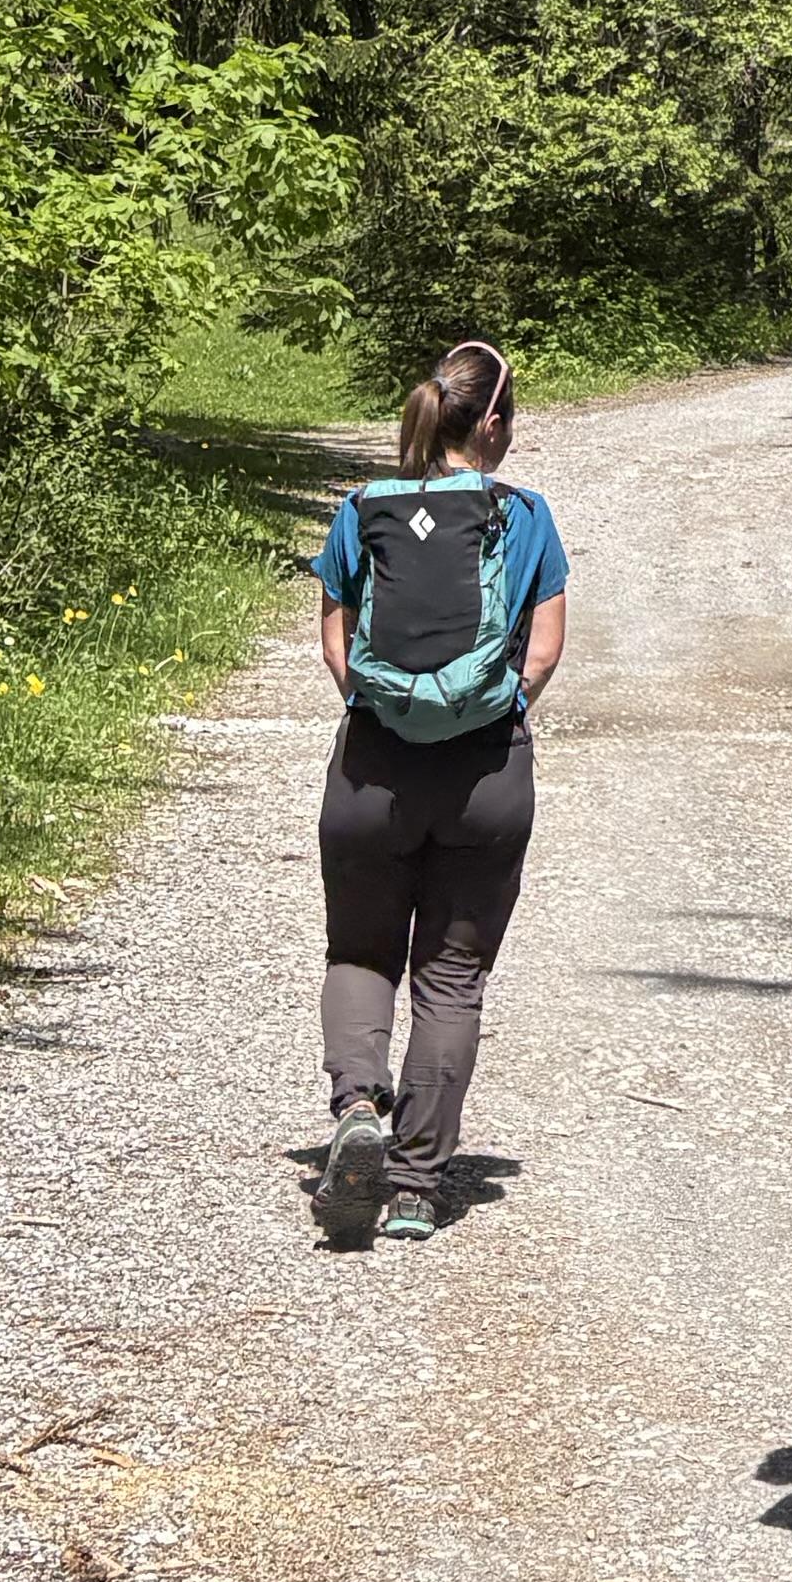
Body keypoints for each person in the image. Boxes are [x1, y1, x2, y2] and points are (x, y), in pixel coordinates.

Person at [309, 340, 569, 1251]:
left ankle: (356, 1109)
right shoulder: (526, 517)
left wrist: (391, 710)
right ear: (492, 427)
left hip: (371, 769)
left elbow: (339, 650)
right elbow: (540, 656)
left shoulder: (360, 512)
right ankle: (418, 1185)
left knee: (362, 951)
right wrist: (483, 713)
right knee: (451, 976)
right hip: (487, 775)